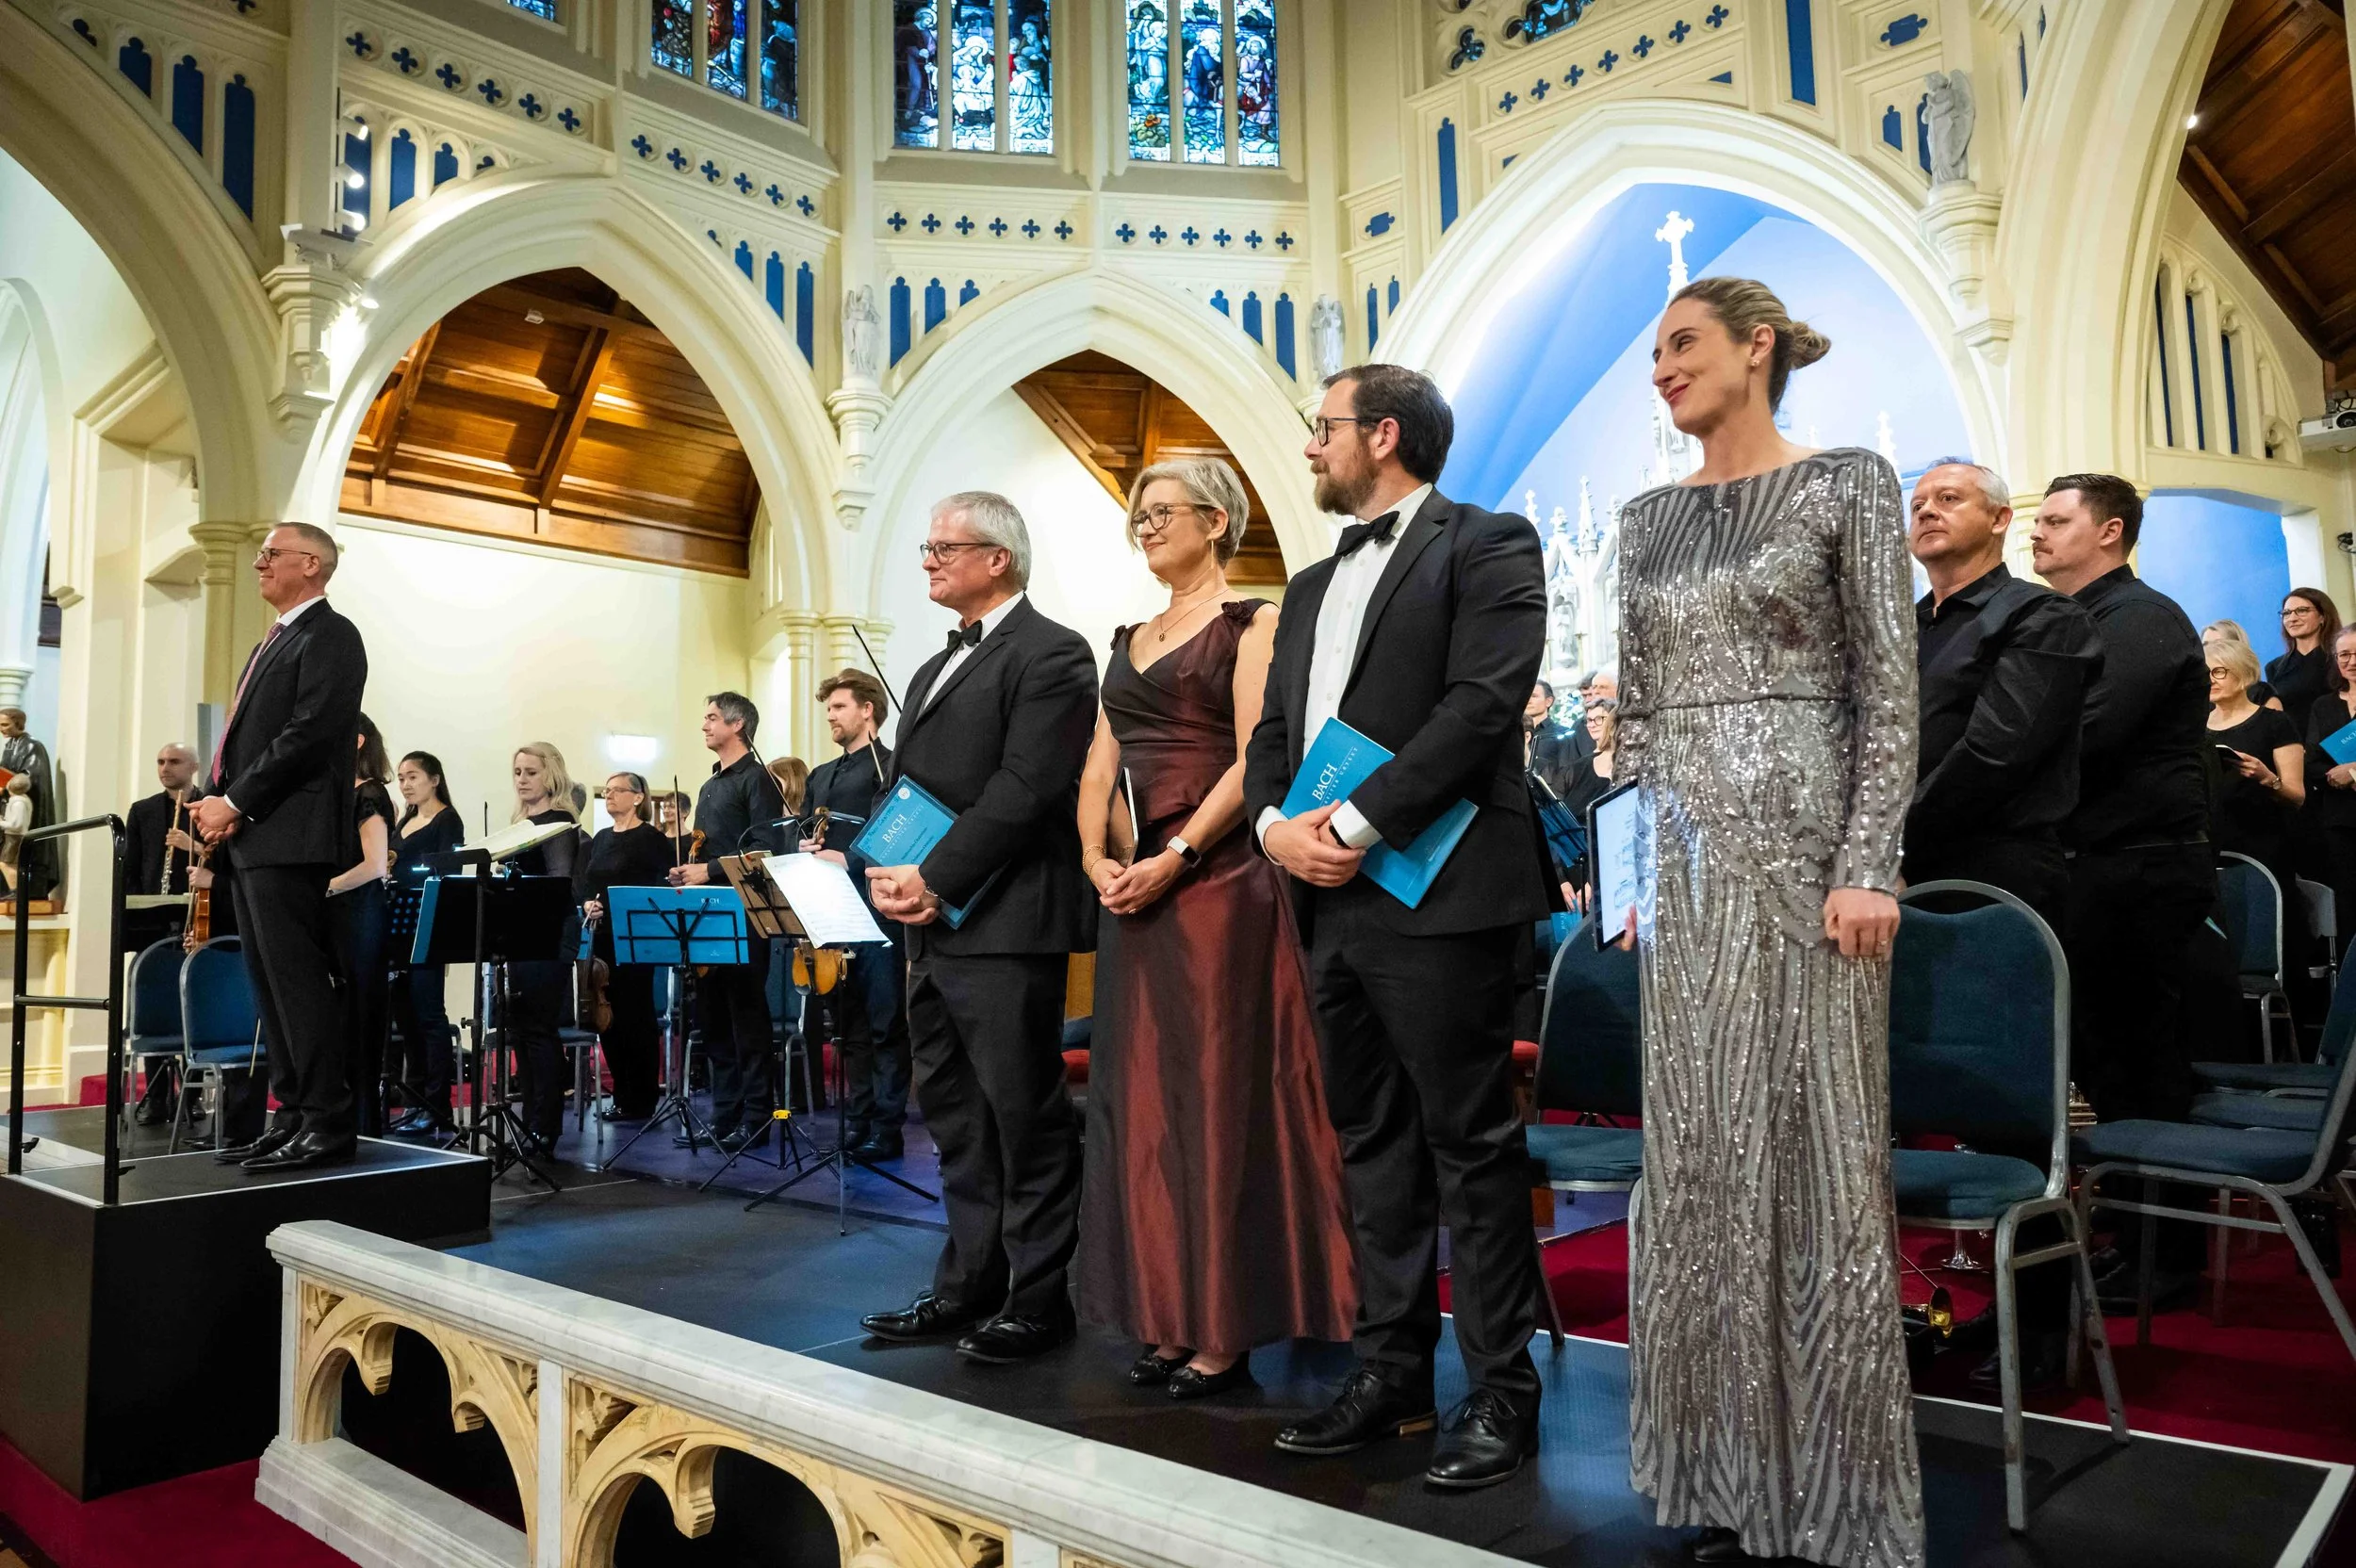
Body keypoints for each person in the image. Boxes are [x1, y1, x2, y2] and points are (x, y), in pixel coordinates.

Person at [1613, 279, 1922, 1567]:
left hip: (1811, 866)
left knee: (1816, 1157)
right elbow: (1634, 714)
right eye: (1653, 352)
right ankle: (1724, 1475)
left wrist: (1869, 863)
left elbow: (1888, 694)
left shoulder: (1849, 482)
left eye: (1681, 344)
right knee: (1698, 1164)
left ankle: (1836, 1497)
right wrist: (1626, 875)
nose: (1661, 367)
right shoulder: (1643, 519)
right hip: (1681, 876)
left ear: (1758, 346)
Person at [1242, 364, 1552, 1492]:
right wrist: (1275, 829)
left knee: (1470, 1143)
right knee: (1369, 1140)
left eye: (1320, 427)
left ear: (1381, 433)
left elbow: (1480, 705)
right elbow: (1274, 734)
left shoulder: (1488, 543)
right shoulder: (1311, 583)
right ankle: (1391, 1371)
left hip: (1443, 883)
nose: (1309, 446)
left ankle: (1502, 1390)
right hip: (1326, 889)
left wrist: (1356, 821)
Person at [1076, 457, 1356, 1401]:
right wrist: (1097, 858)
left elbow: (1252, 760)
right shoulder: (1126, 638)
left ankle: (1224, 1326)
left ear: (1215, 521)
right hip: (1138, 892)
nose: (1146, 526)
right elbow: (1099, 765)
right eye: (1139, 514)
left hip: (1220, 885)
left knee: (1216, 1100)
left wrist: (1178, 855)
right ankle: (1165, 1309)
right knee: (1147, 1107)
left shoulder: (1252, 623)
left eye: (1163, 511)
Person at [860, 492, 1096, 1367]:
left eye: (943, 547)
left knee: (1024, 1115)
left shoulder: (1054, 651)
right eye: (926, 548)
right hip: (932, 925)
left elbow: (1027, 787)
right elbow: (914, 790)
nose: (928, 560)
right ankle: (967, 1284)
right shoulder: (932, 667)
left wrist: (937, 876)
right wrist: (888, 871)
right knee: (956, 1118)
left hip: (1006, 918)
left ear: (998, 558)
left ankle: (1040, 1300)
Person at [2032, 475, 2219, 1313]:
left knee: (2143, 1066)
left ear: (2109, 532)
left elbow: (2086, 733)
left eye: (2054, 520)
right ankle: (2135, 1230)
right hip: (2100, 865)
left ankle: (2167, 1256)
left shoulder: (2140, 617)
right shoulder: (2074, 619)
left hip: (2139, 867)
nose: (2036, 532)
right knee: (2107, 1062)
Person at [191, 522, 368, 1171]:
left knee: (297, 984)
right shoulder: (274, 640)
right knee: (269, 985)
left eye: (272, 553)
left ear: (312, 564)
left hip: (291, 835)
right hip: (259, 833)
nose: (259, 563)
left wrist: (235, 802)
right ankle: (292, 1114)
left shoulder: (332, 635)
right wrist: (220, 801)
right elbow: (245, 738)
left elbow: (310, 732)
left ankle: (327, 1120)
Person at [1900, 459, 2101, 930]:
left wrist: (1889, 837)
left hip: (1992, 869)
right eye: (1917, 505)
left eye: (1948, 499)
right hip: (1892, 863)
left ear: (1999, 519)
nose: (1926, 511)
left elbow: (1996, 753)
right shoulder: (1899, 628)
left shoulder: (2045, 617)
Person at [800, 669, 912, 1161]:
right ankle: (859, 1118)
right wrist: (804, 846)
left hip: (879, 910)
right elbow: (803, 829)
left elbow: (900, 831)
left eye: (839, 707)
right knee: (848, 1028)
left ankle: (887, 1127)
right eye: (828, 708)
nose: (830, 715)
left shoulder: (892, 766)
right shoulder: (821, 775)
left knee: (886, 1024)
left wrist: (849, 859)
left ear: (868, 710)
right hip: (831, 912)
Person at [667, 694, 786, 1153]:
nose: (704, 725)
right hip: (708, 909)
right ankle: (724, 1116)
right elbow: (707, 849)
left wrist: (708, 870)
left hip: (745, 910)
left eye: (712, 718)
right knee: (713, 1018)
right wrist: (689, 871)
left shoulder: (759, 779)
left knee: (746, 1017)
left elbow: (764, 848)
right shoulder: (709, 785)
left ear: (738, 725)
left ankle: (756, 1119)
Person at [578, 772, 673, 1121]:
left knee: (636, 1017)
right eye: (606, 791)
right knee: (608, 1019)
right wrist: (587, 904)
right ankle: (621, 1094)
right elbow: (586, 884)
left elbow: (661, 886)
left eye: (617, 790)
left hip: (636, 937)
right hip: (602, 938)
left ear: (638, 797)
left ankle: (642, 1098)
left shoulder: (652, 839)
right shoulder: (601, 838)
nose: (609, 795)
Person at [506, 743, 583, 1152]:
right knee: (522, 1030)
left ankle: (545, 1124)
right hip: (522, 933)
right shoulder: (520, 823)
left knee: (538, 1028)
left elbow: (559, 885)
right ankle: (531, 1119)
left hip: (550, 932)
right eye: (518, 772)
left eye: (531, 772)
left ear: (550, 775)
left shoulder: (558, 823)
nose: (522, 779)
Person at [326, 715, 396, 1137]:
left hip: (360, 915)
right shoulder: (338, 793)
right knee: (339, 1022)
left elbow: (374, 865)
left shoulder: (370, 793)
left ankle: (364, 1125)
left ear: (355, 741)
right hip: (340, 914)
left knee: (359, 1020)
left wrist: (325, 887)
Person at [388, 751, 462, 1135]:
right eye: (401, 777)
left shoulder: (447, 820)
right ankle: (414, 1099)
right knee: (407, 1019)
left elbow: (449, 875)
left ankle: (437, 1104)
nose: (405, 784)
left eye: (413, 776)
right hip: (399, 926)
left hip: (428, 926)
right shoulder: (404, 820)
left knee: (429, 1015)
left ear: (434, 779)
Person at [2302, 627, 2356, 942]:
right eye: (2344, 654)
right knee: (2347, 904)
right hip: (2340, 820)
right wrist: (2340, 776)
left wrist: (2354, 772)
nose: (2351, 661)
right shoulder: (2323, 706)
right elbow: (2312, 763)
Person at [0, 707, 57, 900]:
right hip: (10, 803)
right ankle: (10, 889)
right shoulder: (10, 745)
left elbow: (29, 778)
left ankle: (27, 890)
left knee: (25, 853)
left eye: (5, 724)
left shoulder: (33, 746)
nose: (1, 729)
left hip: (29, 810)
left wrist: (8, 784)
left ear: (18, 724)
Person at [2268, 588, 2341, 728]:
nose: (2292, 618)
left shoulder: (2341, 660)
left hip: (2339, 739)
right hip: (2295, 741)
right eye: (2287, 613)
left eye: (2302, 610)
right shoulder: (2274, 668)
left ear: (2322, 616)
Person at [2203, 620, 2283, 710]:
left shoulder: (2261, 694)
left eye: (2219, 644)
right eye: (2205, 644)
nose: (2211, 649)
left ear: (2238, 648)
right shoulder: (2200, 697)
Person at [1525, 679, 1578, 794]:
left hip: (1549, 796)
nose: (1528, 700)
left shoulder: (1563, 733)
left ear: (1548, 701)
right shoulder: (1515, 734)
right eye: (1527, 695)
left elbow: (1568, 773)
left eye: (1534, 696)